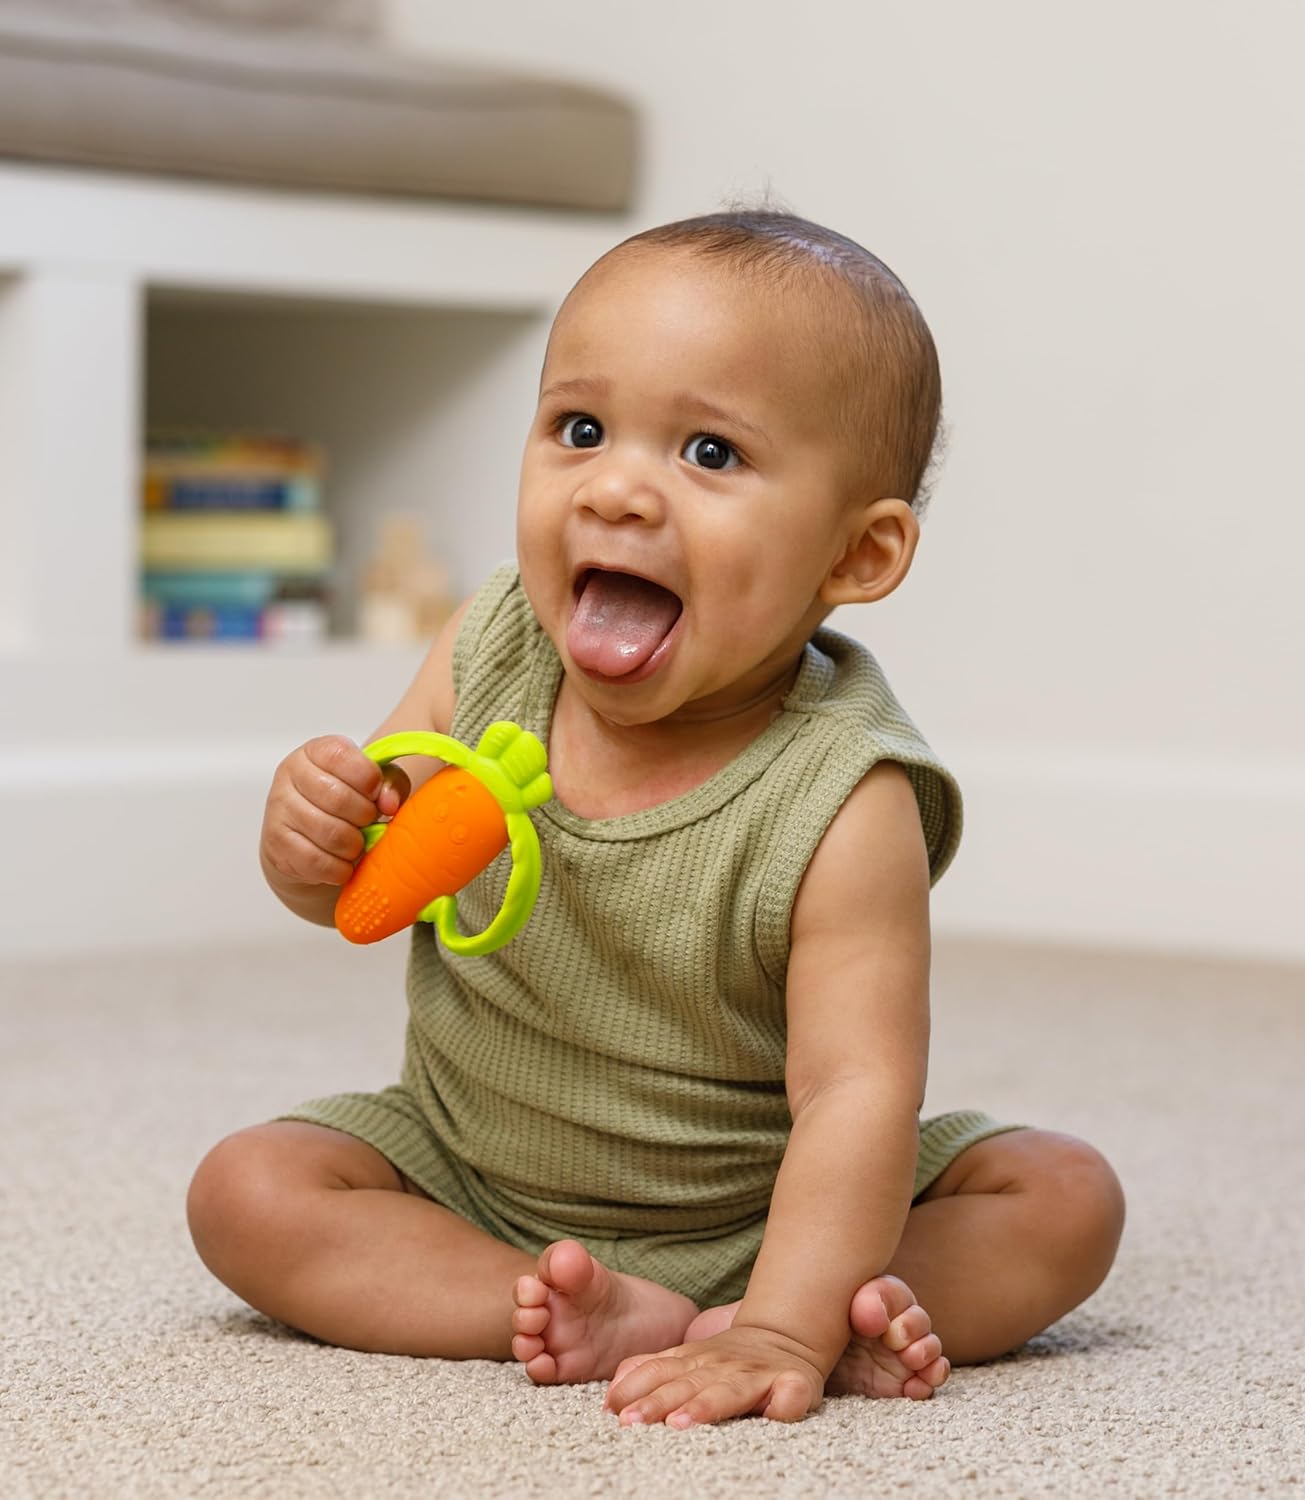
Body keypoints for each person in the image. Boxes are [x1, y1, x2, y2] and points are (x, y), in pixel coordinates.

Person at [186, 209, 1126, 1430]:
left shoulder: (847, 795)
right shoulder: (489, 650)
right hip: (469, 1169)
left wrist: (784, 1322)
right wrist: (309, 846)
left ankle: (782, 1313)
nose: (618, 488)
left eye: (711, 453)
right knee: (247, 1190)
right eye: (579, 430)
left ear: (858, 554)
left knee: (1063, 1199)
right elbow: (362, 884)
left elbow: (855, 1091)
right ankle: (555, 1305)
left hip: (770, 1212)